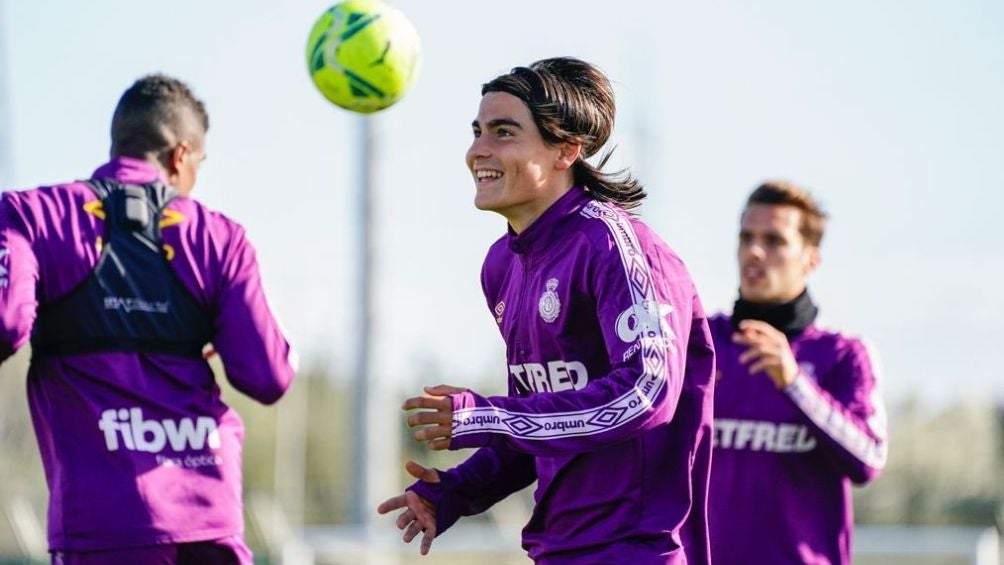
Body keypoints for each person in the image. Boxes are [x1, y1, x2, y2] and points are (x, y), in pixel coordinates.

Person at [377, 57, 716, 564]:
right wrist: (455, 491)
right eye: (477, 131)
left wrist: (490, 415)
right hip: (556, 551)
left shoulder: (616, 245)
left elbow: (648, 393)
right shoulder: (502, 265)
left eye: (504, 132)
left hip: (636, 552)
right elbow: (544, 423)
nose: (478, 151)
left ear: (567, 150)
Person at [0, 74, 296, 564]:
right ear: (181, 156)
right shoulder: (222, 238)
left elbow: (7, 324)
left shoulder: (29, 214)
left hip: (103, 525)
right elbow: (269, 376)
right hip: (209, 518)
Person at [707, 181, 888, 564]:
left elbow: (869, 458)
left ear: (810, 259)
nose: (755, 251)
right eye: (747, 237)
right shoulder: (702, 343)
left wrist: (794, 383)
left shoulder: (842, 355)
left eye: (774, 240)